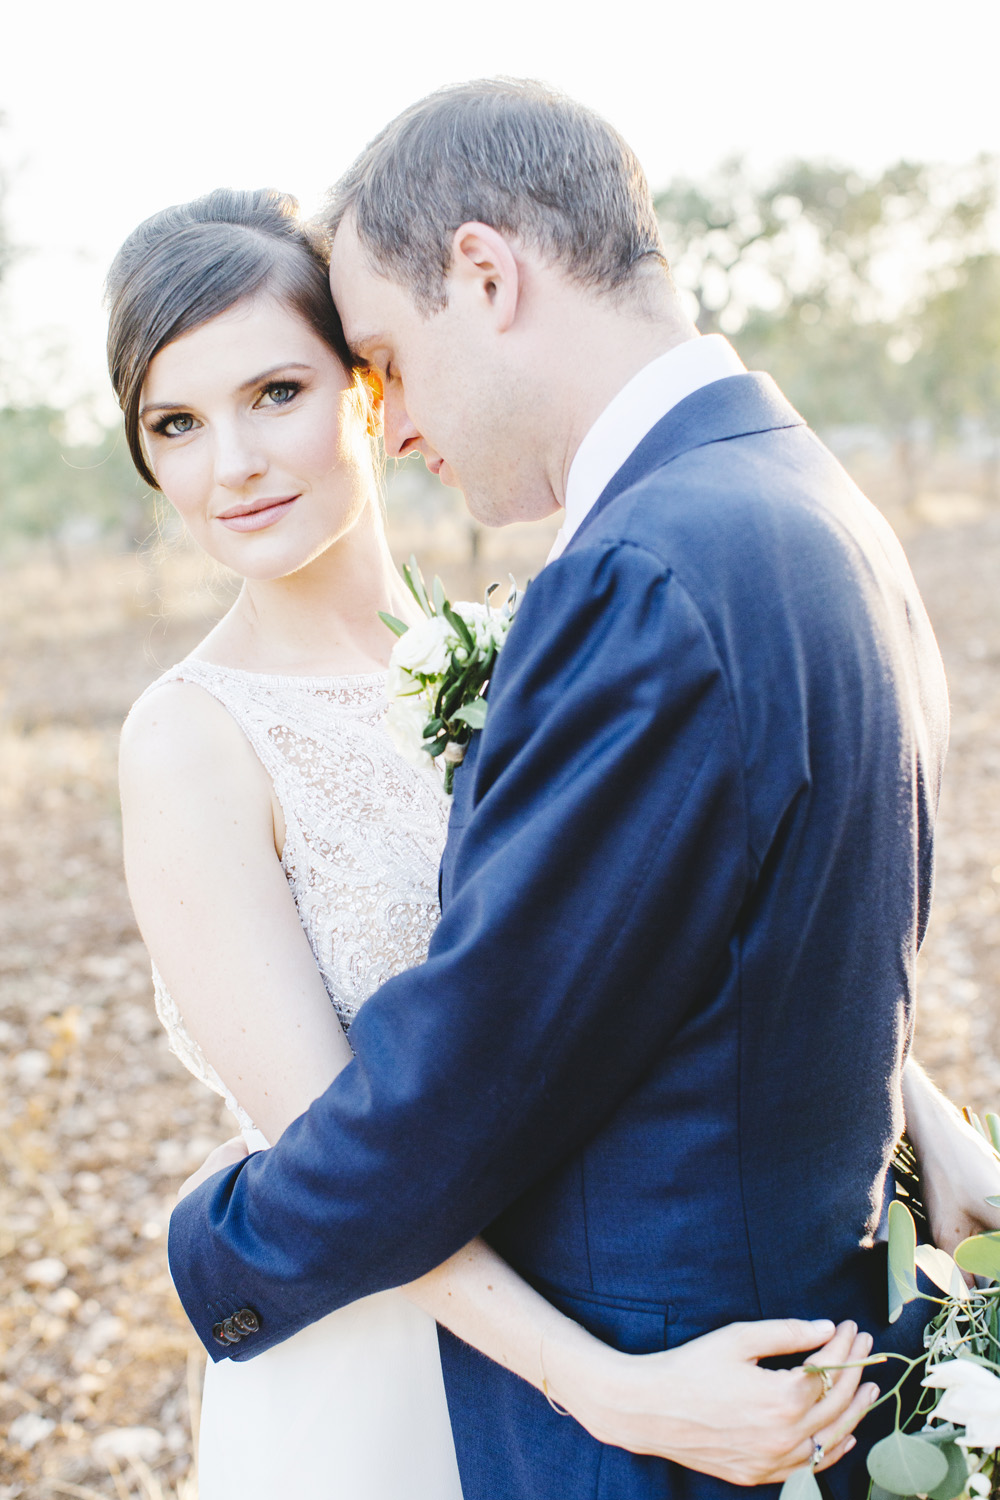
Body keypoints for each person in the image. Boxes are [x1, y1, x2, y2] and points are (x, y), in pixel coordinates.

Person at [161, 82, 1000, 1499]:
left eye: (380, 361)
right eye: (174, 424)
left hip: (667, 1401)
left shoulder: (639, 578)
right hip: (728, 1356)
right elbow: (725, 910)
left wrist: (218, 1241)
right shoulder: (800, 498)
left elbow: (476, 1060)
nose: (398, 415)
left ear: (486, 275)